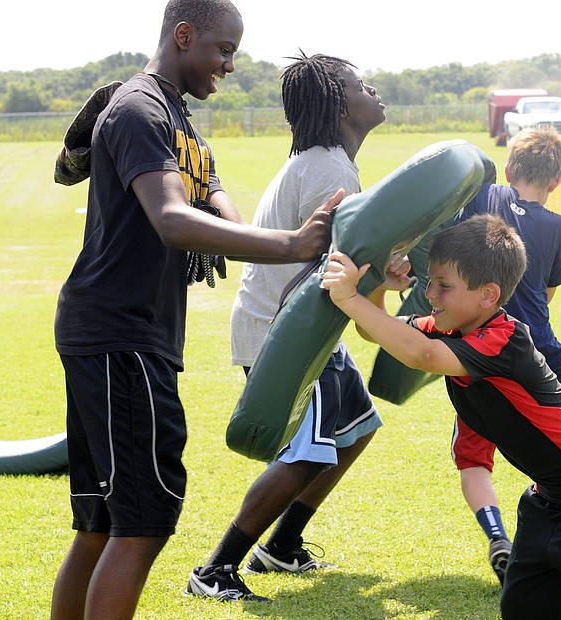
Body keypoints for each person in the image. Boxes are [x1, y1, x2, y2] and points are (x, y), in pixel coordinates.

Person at [50, 3, 337, 619]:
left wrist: (324, 241)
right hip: (119, 336)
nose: (230, 65)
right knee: (142, 522)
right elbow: (172, 219)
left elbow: (222, 211)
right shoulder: (139, 110)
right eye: (223, 49)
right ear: (184, 35)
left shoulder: (179, 120)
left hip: (118, 335)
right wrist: (289, 243)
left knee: (103, 524)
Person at [322, 214, 561, 619]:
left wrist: (348, 298)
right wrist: (377, 287)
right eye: (429, 281)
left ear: (488, 295)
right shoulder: (452, 325)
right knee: (525, 606)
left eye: (444, 286)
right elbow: (377, 331)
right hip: (549, 499)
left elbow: (422, 355)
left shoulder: (503, 338)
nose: (429, 293)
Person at [186, 52, 395, 603]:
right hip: (284, 332)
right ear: (335, 103)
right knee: (304, 453)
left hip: (306, 328)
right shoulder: (327, 166)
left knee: (355, 428)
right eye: (358, 84)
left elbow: (341, 254)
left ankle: (282, 545)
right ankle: (216, 569)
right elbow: (335, 266)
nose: (371, 88)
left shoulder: (330, 161)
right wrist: (388, 278)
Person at [452, 126, 561, 584]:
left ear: (509, 170)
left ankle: (497, 538)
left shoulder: (484, 198)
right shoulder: (560, 227)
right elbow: (546, 295)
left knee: (473, 459)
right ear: (557, 183)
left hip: (475, 353)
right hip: (540, 356)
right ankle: (558, 547)